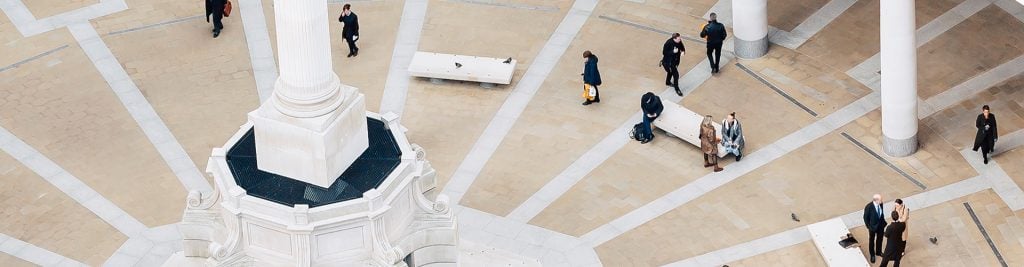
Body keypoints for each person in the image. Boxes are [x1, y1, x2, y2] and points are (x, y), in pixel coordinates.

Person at [862, 194, 887, 263]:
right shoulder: (869, 207)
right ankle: (872, 254)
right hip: (872, 227)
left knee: (880, 239)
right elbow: (865, 218)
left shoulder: (881, 204)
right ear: (876, 200)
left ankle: (878, 252)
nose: (882, 201)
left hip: (880, 225)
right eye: (880, 200)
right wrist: (869, 227)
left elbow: (881, 213)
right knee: (872, 240)